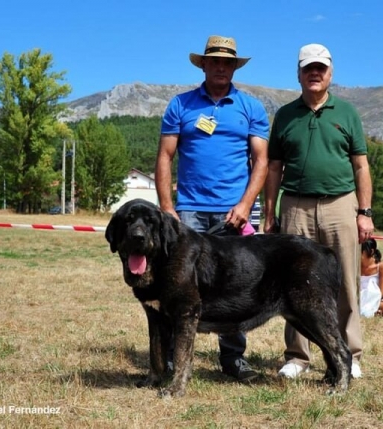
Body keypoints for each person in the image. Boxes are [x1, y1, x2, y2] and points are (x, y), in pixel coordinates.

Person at [155, 35, 269, 382]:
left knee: (233, 286)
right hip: (187, 213)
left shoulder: (252, 108)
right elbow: (164, 156)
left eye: (227, 62)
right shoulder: (181, 105)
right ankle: (173, 361)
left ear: (235, 66)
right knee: (177, 288)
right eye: (214, 60)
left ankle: (233, 359)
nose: (221, 66)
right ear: (203, 64)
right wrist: (166, 209)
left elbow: (262, 160)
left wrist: (246, 204)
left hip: (233, 214)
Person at [263, 43, 374, 380]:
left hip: (341, 204)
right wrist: (269, 213)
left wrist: (364, 211)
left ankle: (349, 354)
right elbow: (273, 169)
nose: (315, 73)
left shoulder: (347, 113)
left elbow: (360, 166)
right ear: (298, 73)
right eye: (308, 68)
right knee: (294, 284)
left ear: (330, 73)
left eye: (320, 68)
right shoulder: (284, 115)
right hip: (295, 204)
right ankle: (298, 356)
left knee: (344, 281)